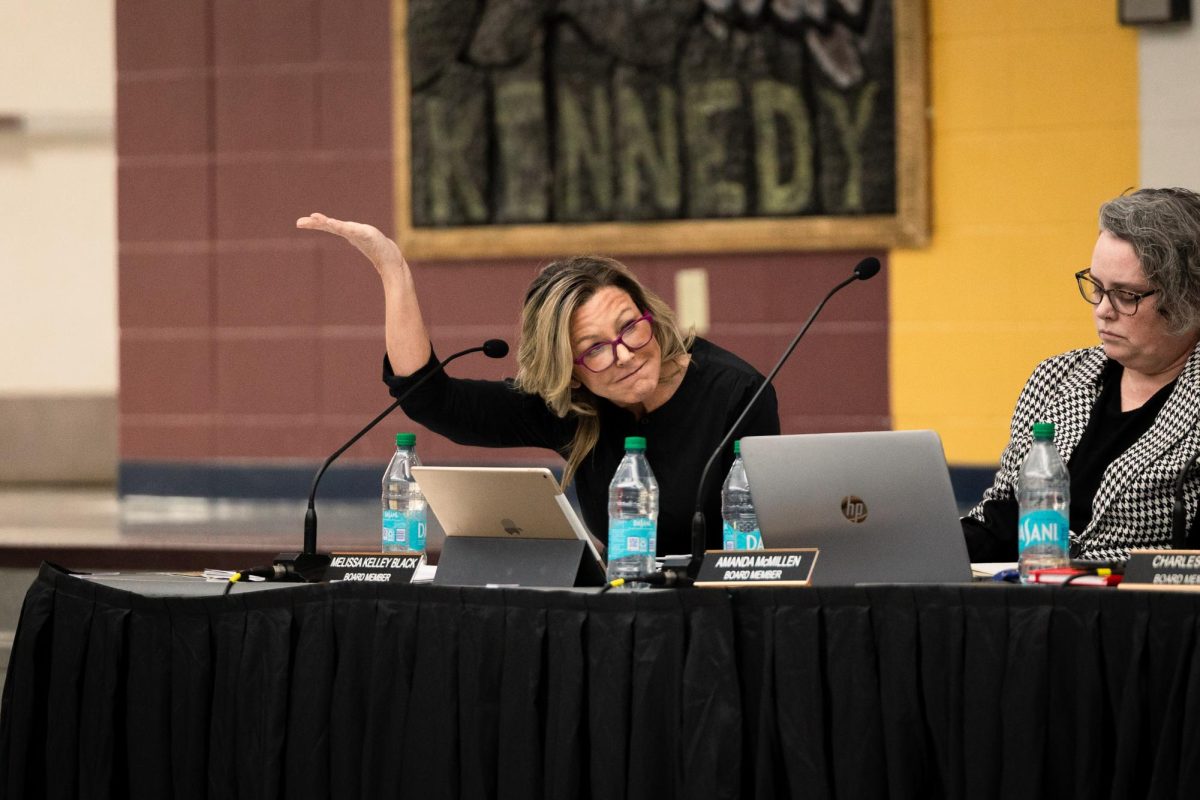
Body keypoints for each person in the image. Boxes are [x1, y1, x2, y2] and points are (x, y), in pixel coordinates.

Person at [297, 213, 780, 556]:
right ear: (567, 370)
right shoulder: (571, 406)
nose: (626, 354)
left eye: (632, 325)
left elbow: (770, 540)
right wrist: (393, 271)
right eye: (594, 349)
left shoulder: (737, 395)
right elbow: (433, 400)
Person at [963, 187, 1200, 563]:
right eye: (1097, 287)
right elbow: (1005, 520)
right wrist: (924, 545)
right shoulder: (1056, 377)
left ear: (1187, 297)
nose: (1103, 310)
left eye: (1126, 295)